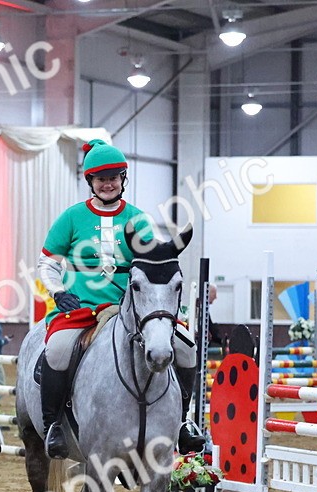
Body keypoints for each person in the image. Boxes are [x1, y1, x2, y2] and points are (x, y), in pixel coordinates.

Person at [34, 138, 205, 459]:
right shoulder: (71, 218)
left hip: (131, 312)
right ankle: (53, 425)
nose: (108, 183)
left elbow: (153, 266)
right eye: (101, 179)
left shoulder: (138, 219)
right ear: (90, 182)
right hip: (81, 309)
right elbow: (47, 264)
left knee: (186, 348)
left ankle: (182, 423)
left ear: (123, 180)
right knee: (57, 351)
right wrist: (58, 292)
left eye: (114, 177)